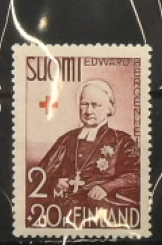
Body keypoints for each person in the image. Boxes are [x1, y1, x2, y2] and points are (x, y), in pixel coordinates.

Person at [30, 77, 141, 215]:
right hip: (64, 210)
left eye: (95, 105)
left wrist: (106, 187)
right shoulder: (67, 139)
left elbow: (136, 175)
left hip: (102, 211)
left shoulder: (122, 141)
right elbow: (42, 173)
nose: (88, 111)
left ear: (110, 108)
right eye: (84, 104)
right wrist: (55, 183)